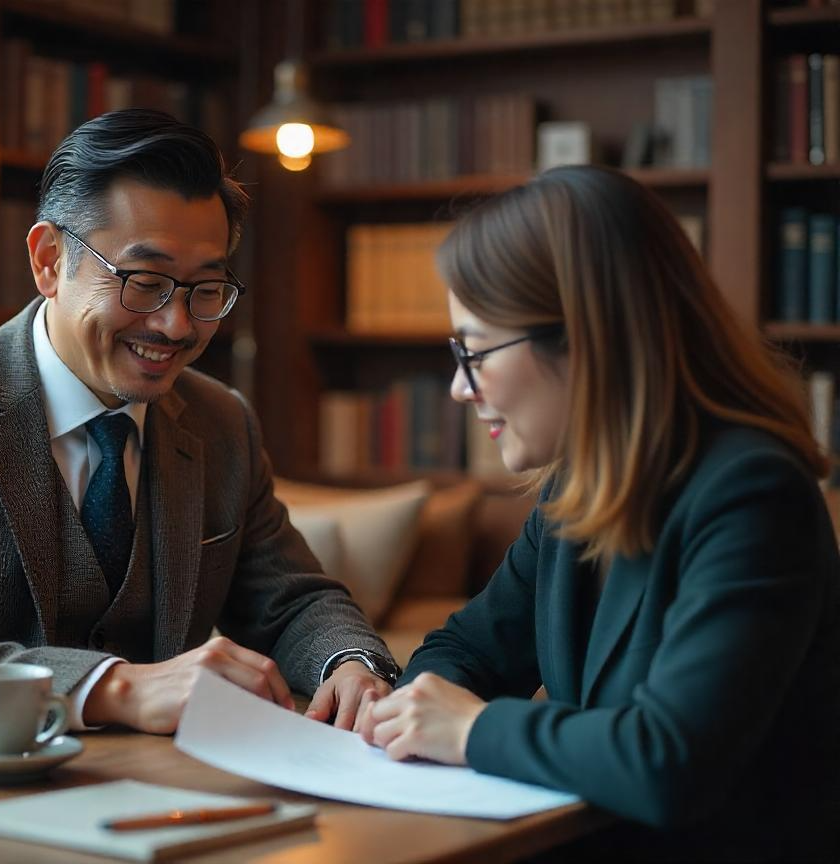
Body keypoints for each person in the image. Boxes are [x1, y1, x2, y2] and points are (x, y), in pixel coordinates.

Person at [0, 109, 398, 744]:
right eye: (144, 282)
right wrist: (115, 688)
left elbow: (293, 599)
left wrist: (351, 664)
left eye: (205, 289)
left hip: (103, 785)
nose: (177, 325)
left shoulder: (222, 423)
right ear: (49, 260)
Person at [357, 165, 840, 862]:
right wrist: (413, 713)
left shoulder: (753, 494)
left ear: (587, 338)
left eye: (476, 350)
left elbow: (669, 761)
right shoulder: (575, 488)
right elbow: (465, 651)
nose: (460, 387)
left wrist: (469, 729)